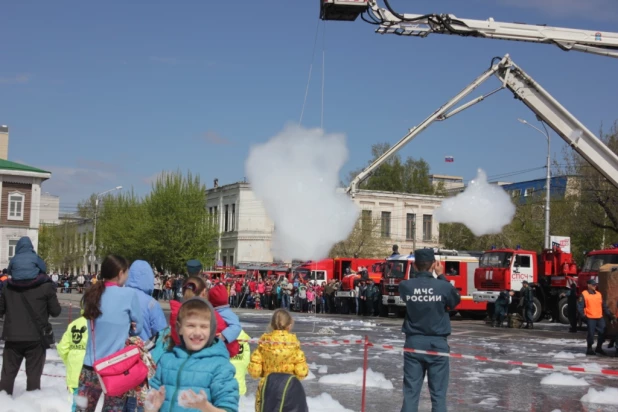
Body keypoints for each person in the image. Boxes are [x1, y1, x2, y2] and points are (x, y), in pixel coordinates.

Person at [145, 298, 239, 412]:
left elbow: (229, 408)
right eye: (191, 325)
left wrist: (205, 407)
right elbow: (152, 398)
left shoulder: (220, 366)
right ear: (179, 328)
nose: (197, 333)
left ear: (212, 330)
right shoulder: (167, 360)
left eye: (204, 326)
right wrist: (151, 408)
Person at [75, 255, 143, 411]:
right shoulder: (129, 295)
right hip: (116, 367)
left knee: (82, 409)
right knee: (113, 409)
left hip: (90, 366)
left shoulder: (92, 293)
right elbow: (138, 328)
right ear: (120, 273)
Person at [398, 249, 461, 412]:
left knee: (411, 394)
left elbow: (409, 296)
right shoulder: (443, 286)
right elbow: (454, 301)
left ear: (413, 265)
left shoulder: (405, 286)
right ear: (434, 264)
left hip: (414, 342)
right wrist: (441, 276)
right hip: (437, 344)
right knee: (438, 395)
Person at [151, 275, 240, 364]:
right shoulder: (210, 315)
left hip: (180, 361)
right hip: (206, 362)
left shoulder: (177, 312)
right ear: (204, 292)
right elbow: (232, 348)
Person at [0, 270, 61, 395]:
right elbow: (56, 311)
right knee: (33, 377)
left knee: (7, 376)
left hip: (12, 337)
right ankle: (32, 404)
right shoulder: (45, 286)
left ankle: (3, 403)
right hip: (36, 337)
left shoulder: (8, 286)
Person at [124, 260, 168, 412]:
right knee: (142, 398)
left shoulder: (121, 296)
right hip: (143, 357)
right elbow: (161, 333)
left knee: (122, 396)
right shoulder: (151, 303)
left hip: (120, 355)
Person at [249, 309, 309, 412]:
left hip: (267, 389)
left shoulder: (263, 345)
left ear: (272, 325)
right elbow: (302, 373)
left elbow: (255, 372)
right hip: (288, 389)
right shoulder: (294, 346)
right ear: (289, 325)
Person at [57, 312, 88, 407]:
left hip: (74, 367)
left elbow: (62, 348)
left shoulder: (73, 324)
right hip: (90, 368)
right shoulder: (95, 324)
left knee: (78, 403)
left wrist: (69, 362)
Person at [578, 279, 616, 356]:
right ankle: (589, 349)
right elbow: (580, 307)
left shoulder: (598, 294)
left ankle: (599, 347)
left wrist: (610, 315)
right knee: (591, 334)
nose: (595, 286)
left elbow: (604, 306)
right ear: (588, 285)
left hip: (599, 317)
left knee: (603, 332)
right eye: (593, 285)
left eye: (595, 285)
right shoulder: (584, 294)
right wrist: (583, 316)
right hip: (590, 317)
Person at [230, 330, 251, 396]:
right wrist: (246, 368)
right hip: (240, 385)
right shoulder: (242, 336)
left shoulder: (224, 334)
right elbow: (246, 354)